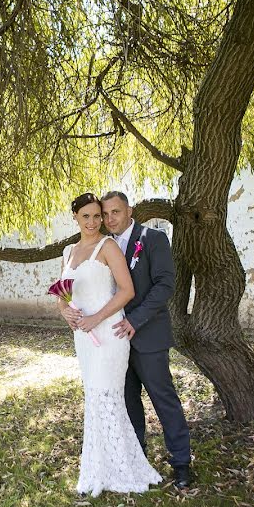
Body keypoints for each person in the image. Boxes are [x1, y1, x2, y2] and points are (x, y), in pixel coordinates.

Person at [63, 190, 192, 489]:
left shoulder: (152, 239)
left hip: (146, 334)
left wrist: (134, 319)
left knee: (163, 398)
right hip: (111, 340)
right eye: (104, 214)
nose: (109, 219)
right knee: (127, 400)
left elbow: (164, 285)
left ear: (129, 211)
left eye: (115, 212)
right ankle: (135, 457)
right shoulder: (99, 245)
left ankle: (182, 462)